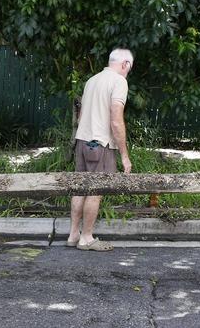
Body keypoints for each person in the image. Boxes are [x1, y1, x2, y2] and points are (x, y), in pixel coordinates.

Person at [66, 48, 133, 252]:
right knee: (95, 191)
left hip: (82, 143)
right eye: (130, 67)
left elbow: (81, 116)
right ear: (125, 65)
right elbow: (115, 119)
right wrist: (124, 155)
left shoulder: (92, 80)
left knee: (80, 188)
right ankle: (86, 238)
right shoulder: (119, 81)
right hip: (100, 144)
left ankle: (73, 234)